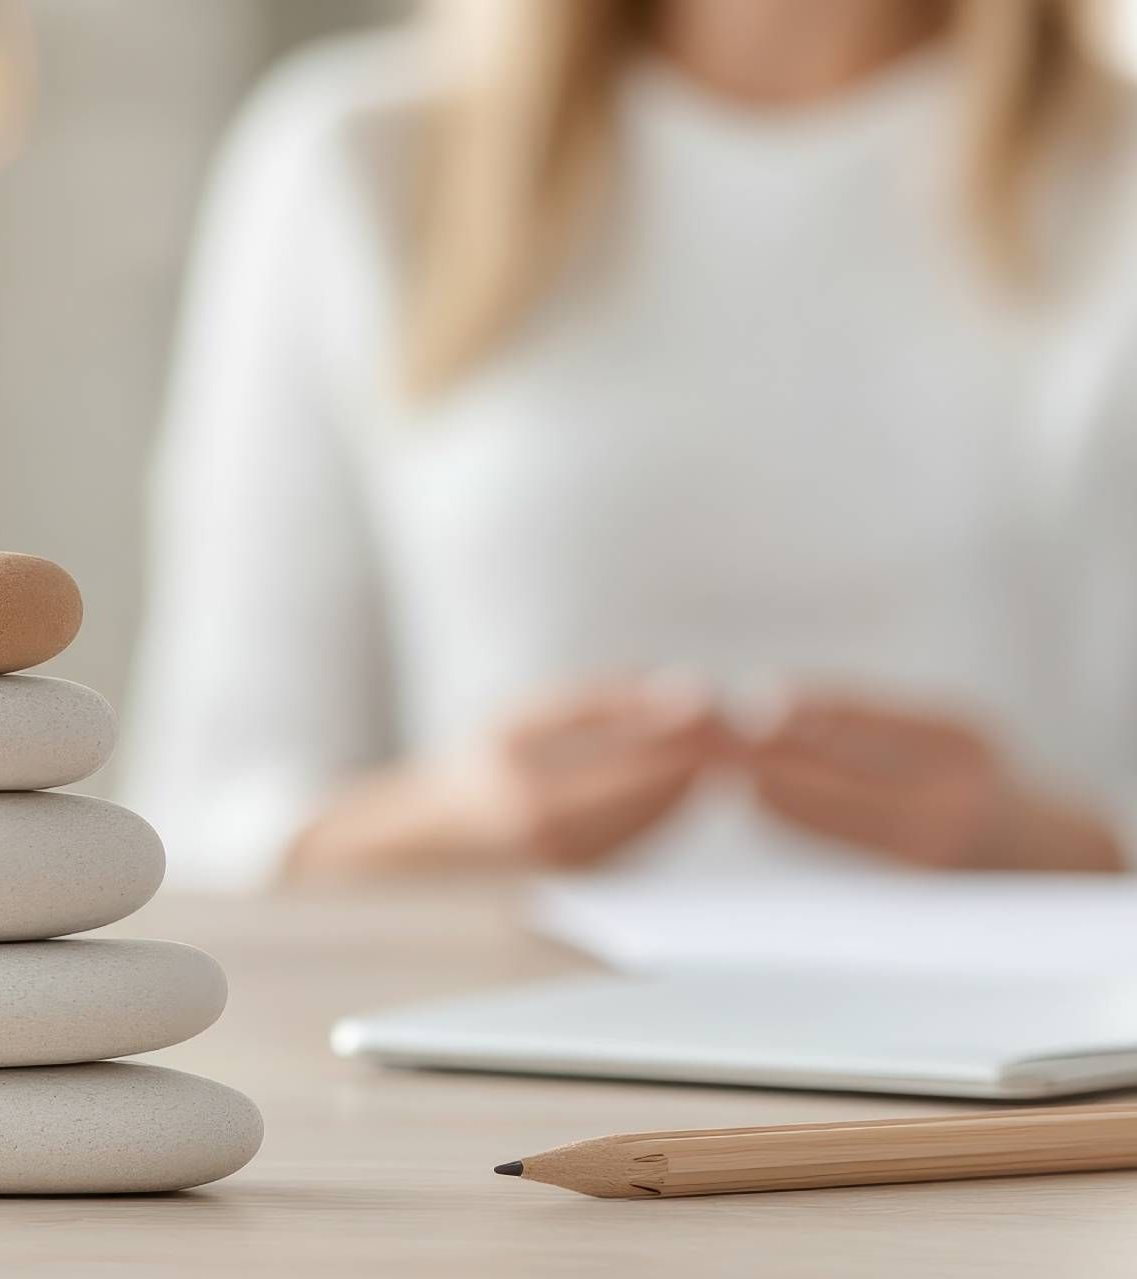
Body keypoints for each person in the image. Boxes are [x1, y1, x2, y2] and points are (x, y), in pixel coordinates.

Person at [123, 0, 1137, 888]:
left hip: (1047, 1088)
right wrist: (462, 821)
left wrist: (1045, 843)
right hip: (490, 1064)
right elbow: (210, 815)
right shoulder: (351, 162)